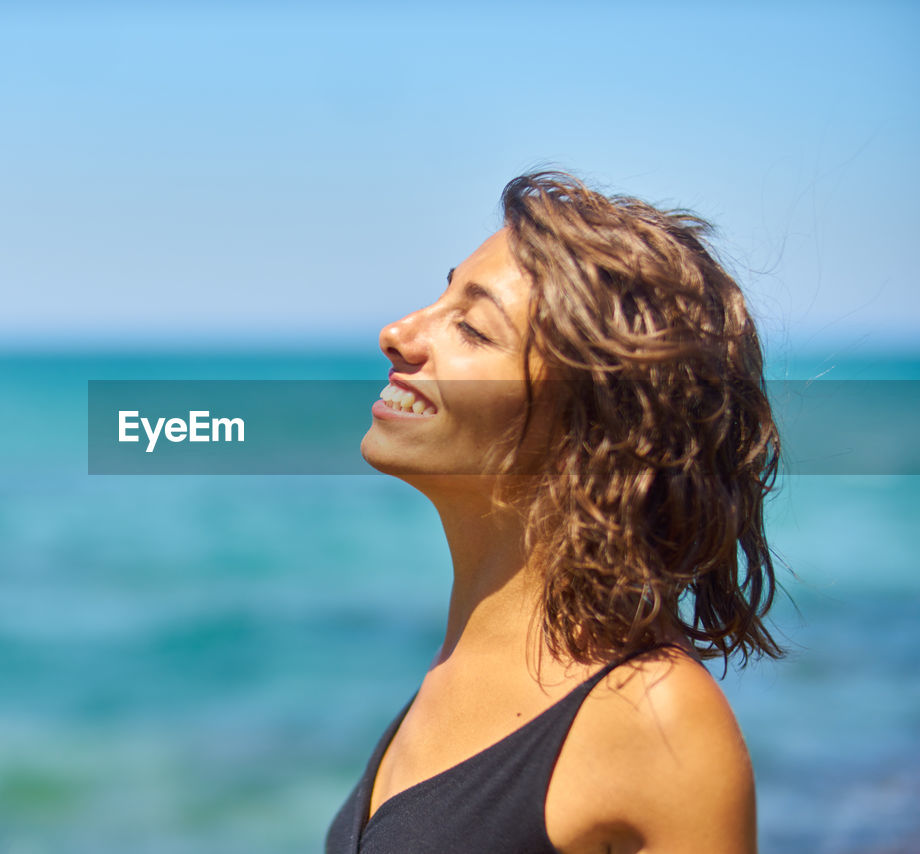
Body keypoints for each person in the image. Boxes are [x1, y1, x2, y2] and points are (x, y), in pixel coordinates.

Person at [326, 171, 785, 854]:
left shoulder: (653, 714)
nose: (398, 333)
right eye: (442, 294)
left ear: (590, 431)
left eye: (473, 329)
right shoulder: (458, 662)